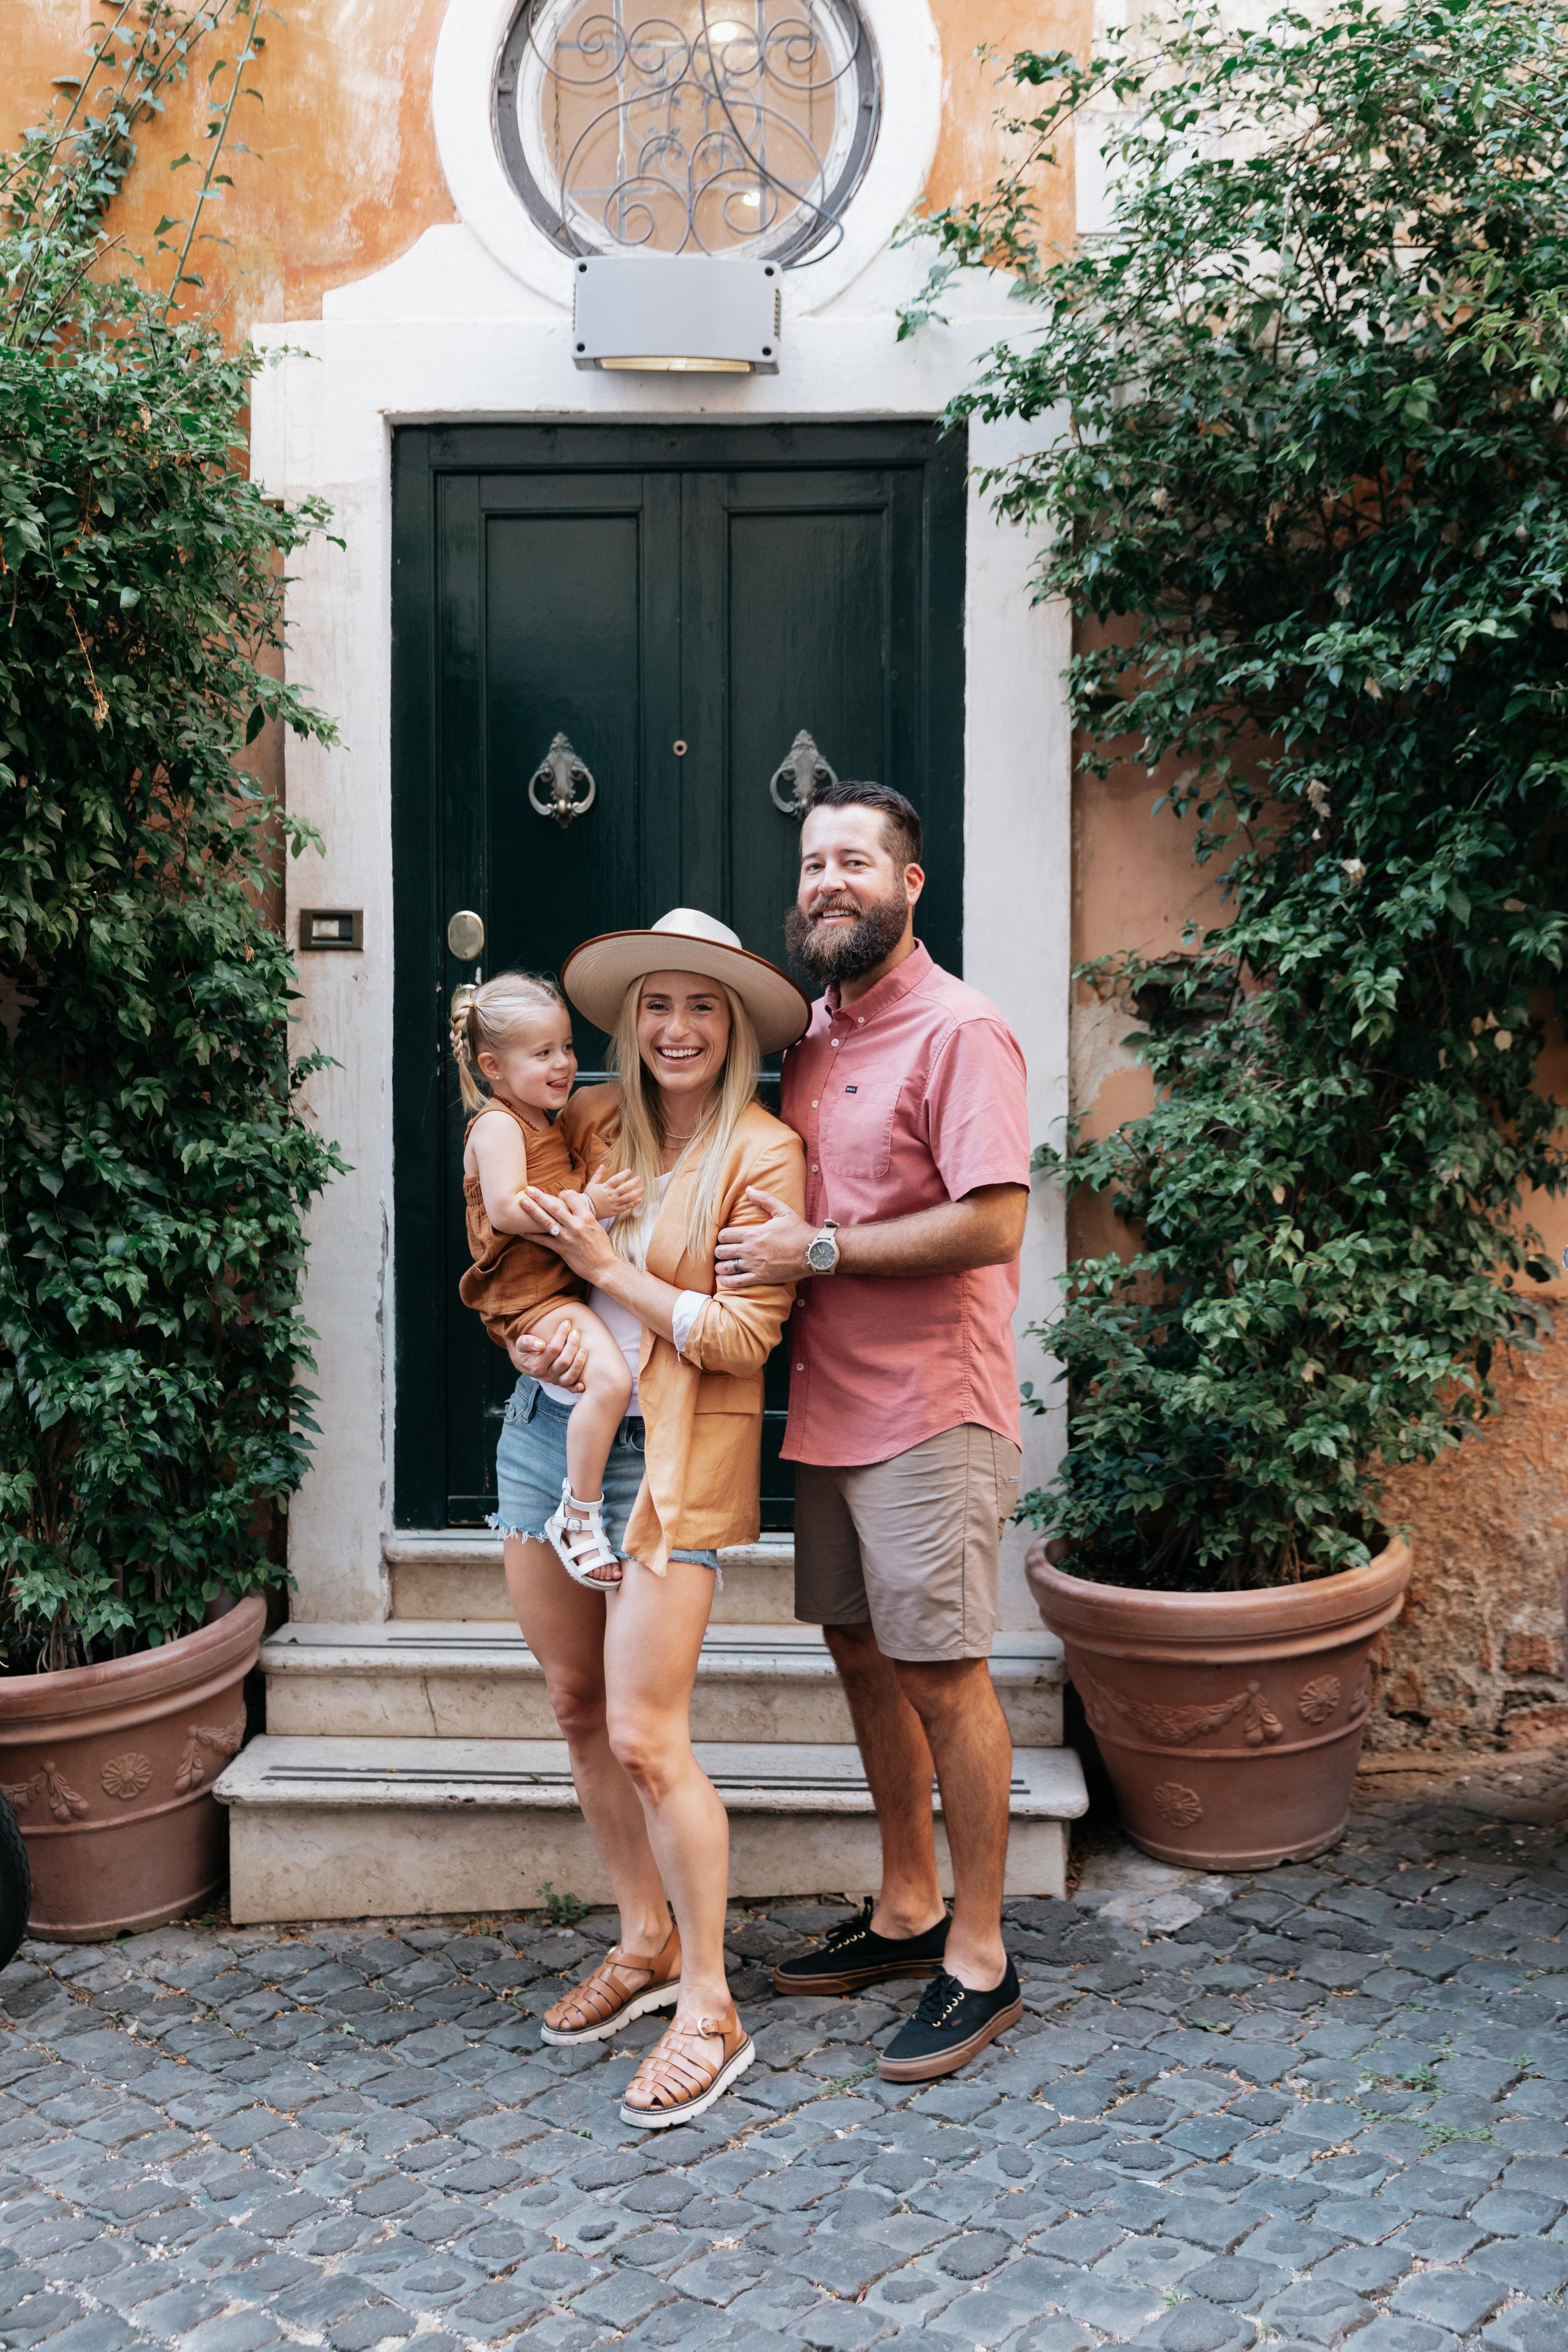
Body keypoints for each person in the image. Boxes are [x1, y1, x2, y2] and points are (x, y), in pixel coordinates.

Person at [716, 781, 1031, 2084]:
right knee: (858, 1651)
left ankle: (978, 1952)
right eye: (810, 864)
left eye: (854, 861)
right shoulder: (818, 1034)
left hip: (930, 1407)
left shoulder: (962, 1031)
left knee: (942, 1667)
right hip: (830, 1404)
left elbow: (994, 1221)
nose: (825, 883)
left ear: (910, 885)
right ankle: (905, 1908)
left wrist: (819, 1247)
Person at [494, 910, 809, 2128]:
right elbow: (514, 1235)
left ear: (731, 1028)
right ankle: (642, 1941)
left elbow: (740, 1339)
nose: (675, 1028)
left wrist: (615, 1276)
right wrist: (523, 1319)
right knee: (576, 1709)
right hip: (544, 1434)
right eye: (655, 1007)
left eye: (702, 1007)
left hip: (665, 1461)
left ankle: (711, 2005)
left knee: (644, 1735)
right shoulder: (588, 1121)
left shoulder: (763, 1154)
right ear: (628, 1022)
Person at [454, 971, 644, 1585]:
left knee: (605, 1378)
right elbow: (508, 1209)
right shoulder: (498, 1125)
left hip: (550, 1293)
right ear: (493, 1066)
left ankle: (578, 1510)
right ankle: (578, 1514)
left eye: (566, 1046)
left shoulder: (547, 1122)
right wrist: (591, 1205)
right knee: (611, 1381)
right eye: (542, 1053)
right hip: (527, 1295)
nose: (563, 1063)